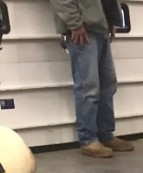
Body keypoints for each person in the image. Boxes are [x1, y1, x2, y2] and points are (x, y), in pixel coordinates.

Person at [50, 0, 135, 158]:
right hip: (84, 28)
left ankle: (105, 135)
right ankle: (88, 140)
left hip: (99, 26)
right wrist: (74, 23)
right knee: (87, 86)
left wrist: (111, 20)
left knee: (107, 84)